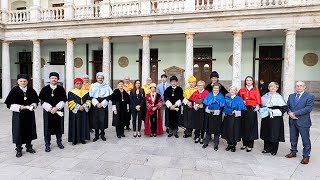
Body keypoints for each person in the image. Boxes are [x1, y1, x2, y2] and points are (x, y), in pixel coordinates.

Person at [5, 74, 39, 157]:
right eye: (21, 81)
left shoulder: (31, 90)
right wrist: (20, 107)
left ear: (27, 81)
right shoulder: (14, 90)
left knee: (29, 129)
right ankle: (19, 149)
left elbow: (36, 101)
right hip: (18, 115)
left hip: (29, 114)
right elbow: (8, 104)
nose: (23, 82)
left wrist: (33, 106)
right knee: (18, 131)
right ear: (17, 81)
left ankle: (29, 146)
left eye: (24, 81)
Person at [285, 81, 314, 164]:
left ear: (304, 87)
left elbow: (308, 108)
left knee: (305, 140)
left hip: (303, 121)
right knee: (293, 138)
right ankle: (293, 152)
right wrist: (289, 112)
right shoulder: (291, 96)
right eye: (297, 86)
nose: (299, 87)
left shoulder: (309, 96)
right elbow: (287, 106)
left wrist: (295, 113)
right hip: (292, 121)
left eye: (301, 86)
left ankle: (306, 156)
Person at [39, 72, 67, 152]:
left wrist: (57, 107)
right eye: (52, 78)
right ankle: (47, 144)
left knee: (59, 127)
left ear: (58, 79)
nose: (54, 79)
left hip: (59, 111)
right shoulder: (45, 89)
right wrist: (50, 108)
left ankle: (59, 142)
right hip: (48, 112)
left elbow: (64, 100)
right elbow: (42, 101)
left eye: (55, 78)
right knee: (47, 128)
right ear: (49, 79)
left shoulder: (61, 89)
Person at [260, 82, 287, 156]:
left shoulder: (279, 97)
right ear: (268, 88)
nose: (272, 88)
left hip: (276, 117)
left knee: (275, 132)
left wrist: (273, 112)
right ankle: (266, 148)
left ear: (277, 88)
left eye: (274, 87)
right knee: (266, 131)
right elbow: (260, 105)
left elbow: (284, 108)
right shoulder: (265, 96)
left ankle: (274, 149)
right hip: (266, 117)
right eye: (270, 86)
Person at [237, 76, 262, 152]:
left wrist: (248, 102)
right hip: (243, 110)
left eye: (250, 80)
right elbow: (238, 99)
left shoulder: (255, 90)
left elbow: (258, 101)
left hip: (251, 110)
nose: (248, 82)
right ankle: (244, 143)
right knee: (243, 126)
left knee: (251, 127)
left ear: (253, 82)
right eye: (247, 80)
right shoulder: (242, 90)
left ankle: (250, 145)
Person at [89, 72, 113, 142]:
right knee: (95, 120)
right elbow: (90, 96)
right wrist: (96, 103)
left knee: (103, 120)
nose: (100, 79)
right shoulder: (93, 86)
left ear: (103, 79)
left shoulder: (107, 86)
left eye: (101, 78)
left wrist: (103, 103)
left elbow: (110, 96)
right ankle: (96, 135)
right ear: (96, 78)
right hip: (95, 105)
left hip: (103, 104)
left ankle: (102, 134)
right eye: (99, 78)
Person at [222, 86, 247, 152]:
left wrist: (236, 111)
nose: (232, 91)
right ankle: (229, 144)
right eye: (231, 90)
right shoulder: (226, 98)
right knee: (228, 130)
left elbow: (242, 109)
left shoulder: (239, 99)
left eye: (234, 90)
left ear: (236, 91)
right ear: (229, 91)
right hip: (228, 117)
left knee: (235, 131)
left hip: (235, 118)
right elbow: (223, 106)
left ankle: (233, 145)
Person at [67, 78, 91, 145]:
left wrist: (84, 106)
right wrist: (78, 107)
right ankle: (74, 139)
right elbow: (70, 102)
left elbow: (89, 100)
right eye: (77, 83)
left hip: (83, 111)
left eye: (80, 83)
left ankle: (83, 138)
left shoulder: (86, 92)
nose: (79, 85)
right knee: (75, 124)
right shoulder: (71, 92)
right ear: (74, 84)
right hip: (75, 112)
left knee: (83, 124)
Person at [202, 83, 225, 150]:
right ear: (212, 88)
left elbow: (222, 106)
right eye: (214, 88)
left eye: (217, 88)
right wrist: (208, 110)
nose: (215, 89)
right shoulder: (209, 95)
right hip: (209, 115)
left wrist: (215, 111)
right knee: (208, 129)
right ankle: (206, 142)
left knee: (217, 130)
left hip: (217, 116)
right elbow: (205, 104)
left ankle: (216, 144)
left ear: (219, 89)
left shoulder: (221, 96)